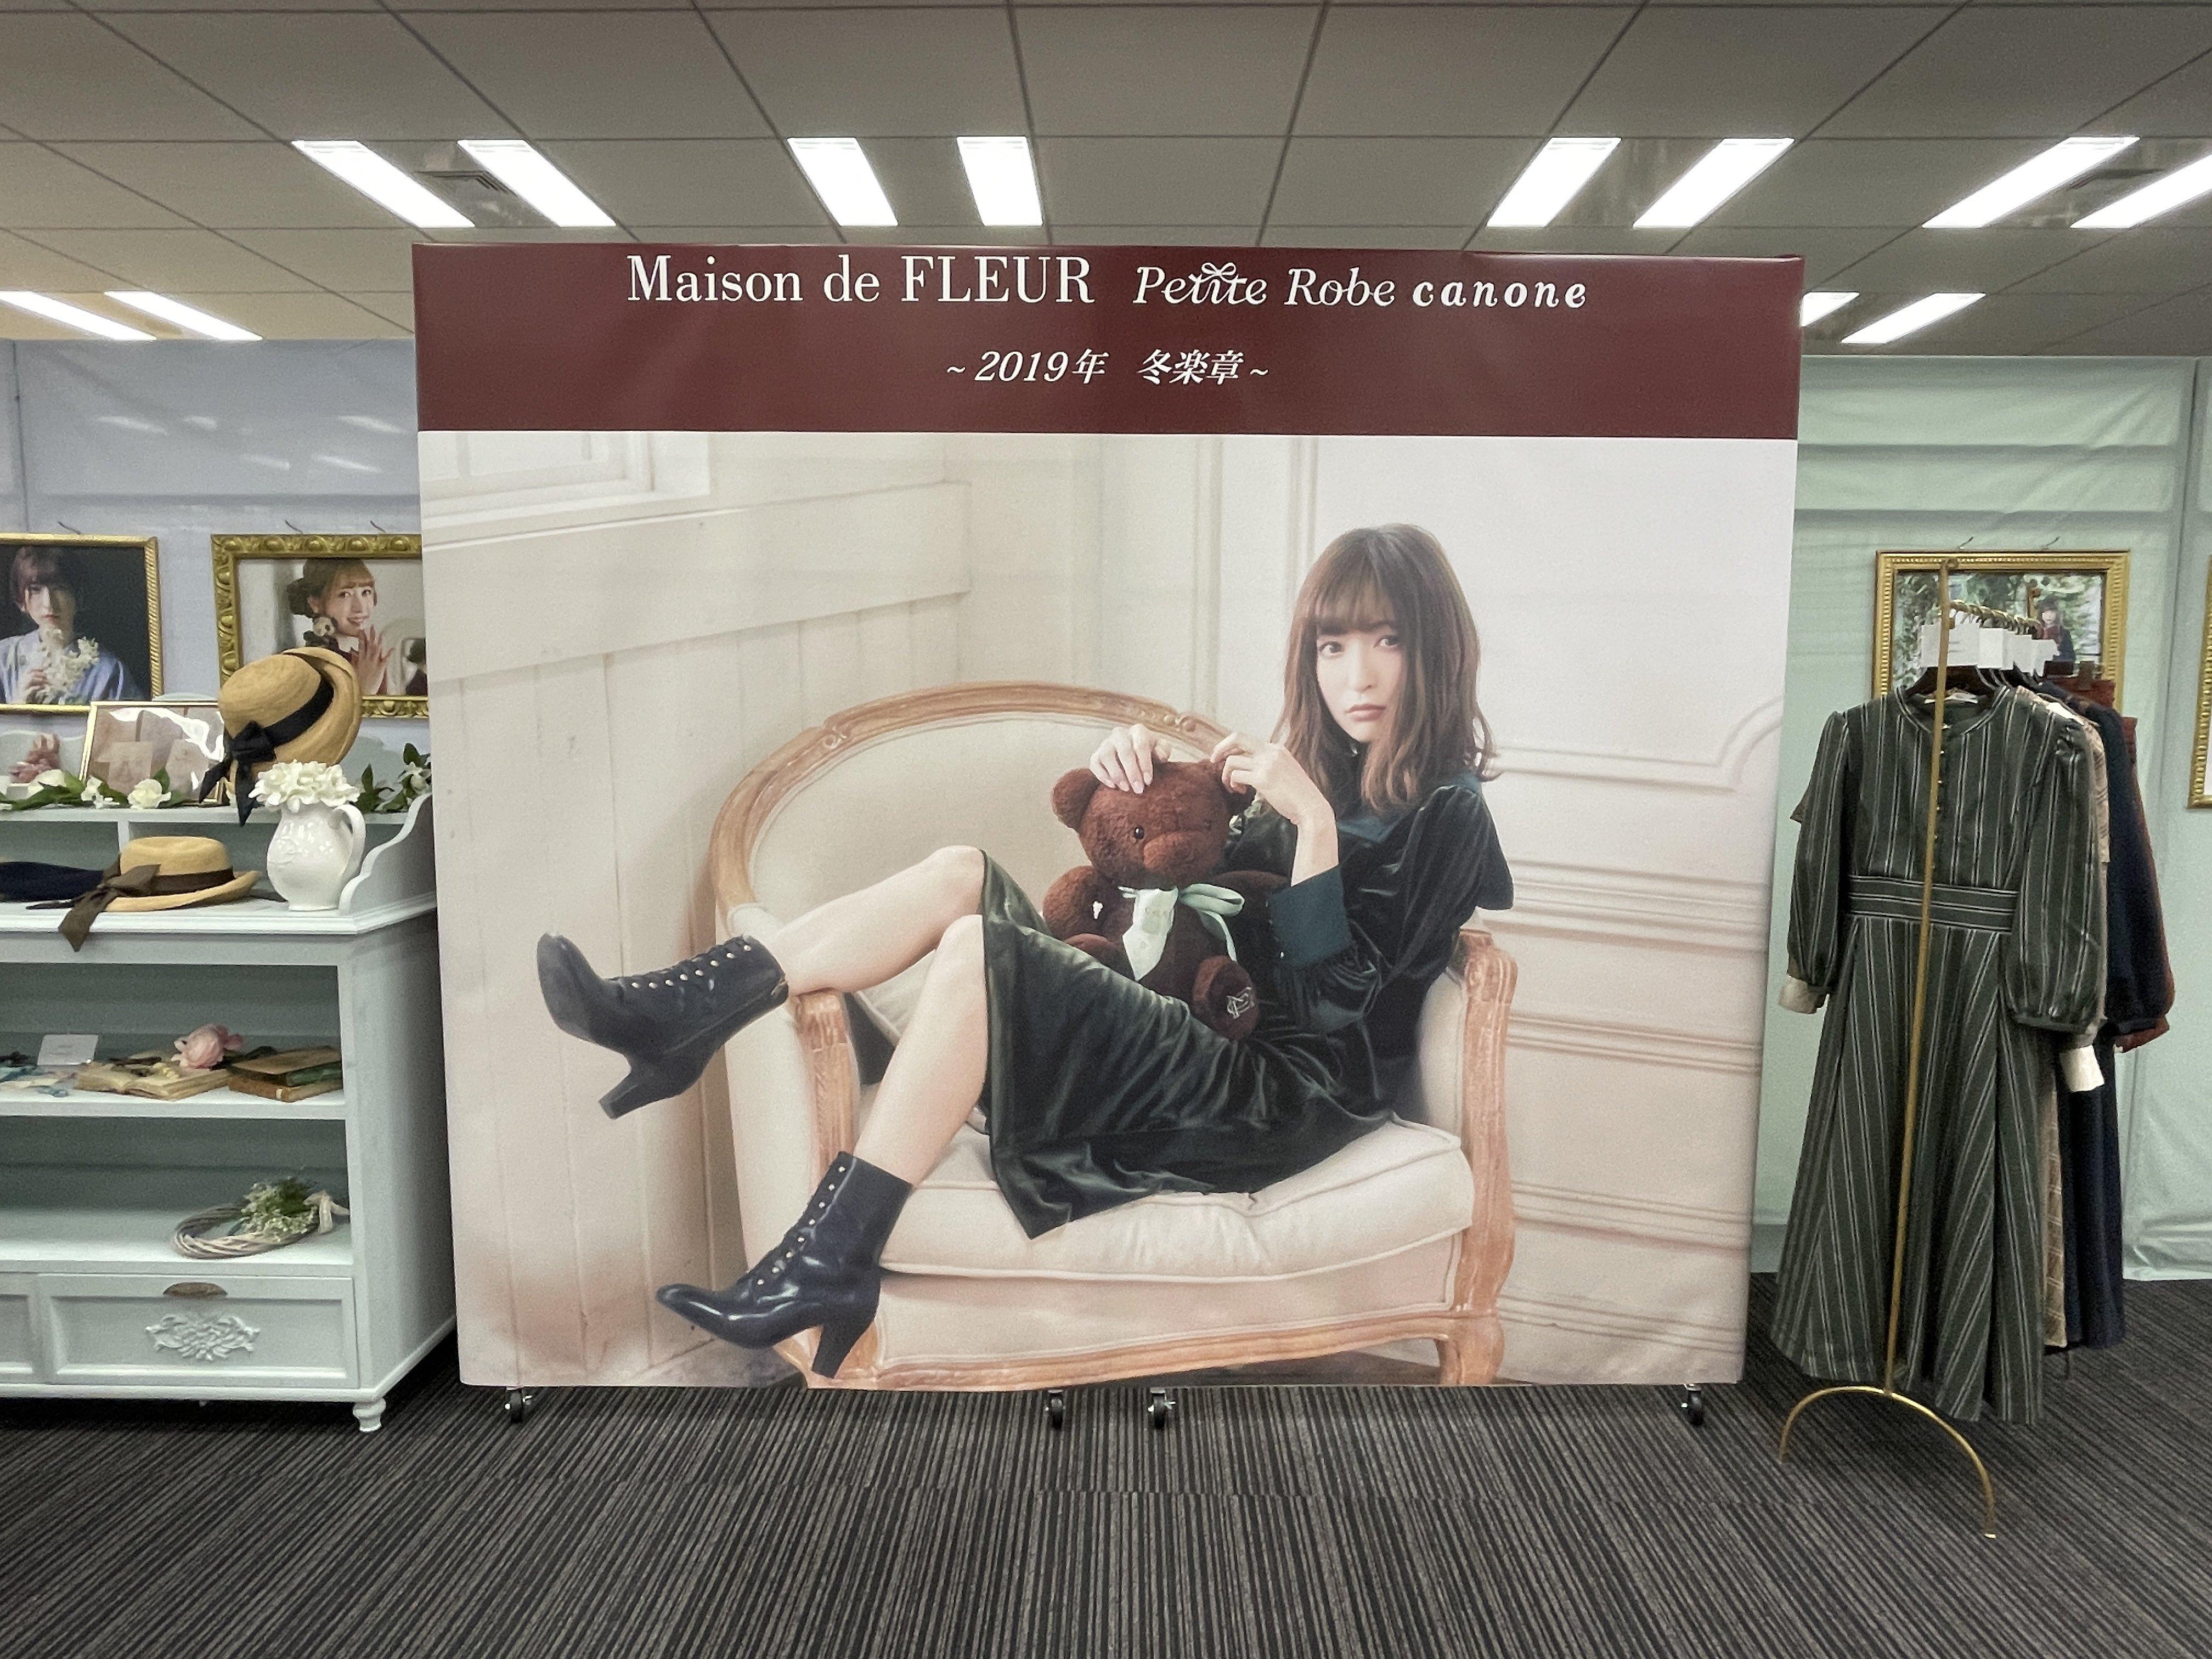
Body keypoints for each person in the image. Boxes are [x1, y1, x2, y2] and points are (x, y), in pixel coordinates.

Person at [535, 523, 1515, 1378]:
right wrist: (1139, 771)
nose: (1357, 673)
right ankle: (681, 1015)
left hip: (1282, 1092)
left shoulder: (1449, 813)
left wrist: (1312, 826)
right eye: (1333, 643)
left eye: (1387, 640)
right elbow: (1182, 894)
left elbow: (1335, 1002)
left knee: (977, 950)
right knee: (960, 872)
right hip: (1200, 1036)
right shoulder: (1305, 768)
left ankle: (827, 1255)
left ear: (1432, 649)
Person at [0, 546, 144, 706]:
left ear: (78, 596)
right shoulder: (4, 658)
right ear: (22, 600)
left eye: (60, 589)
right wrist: (17, 706)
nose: (49, 603)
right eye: (36, 590)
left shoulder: (108, 670)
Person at [285, 559, 403, 697]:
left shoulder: (365, 656)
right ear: (315, 603)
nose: (360, 608)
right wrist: (364, 690)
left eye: (366, 592)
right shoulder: (316, 664)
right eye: (345, 595)